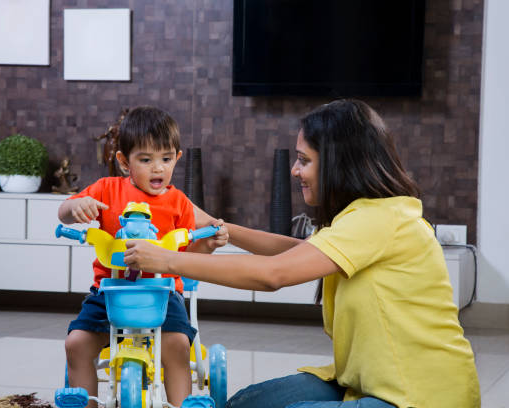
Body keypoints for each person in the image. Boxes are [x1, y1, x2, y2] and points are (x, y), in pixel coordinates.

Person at [123, 99, 481, 408]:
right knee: (245, 403)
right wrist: (223, 228)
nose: (295, 170)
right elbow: (299, 251)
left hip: (419, 397)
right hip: (368, 386)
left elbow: (273, 274)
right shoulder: (363, 217)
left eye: (304, 160)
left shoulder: (378, 218)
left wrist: (165, 259)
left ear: (339, 163)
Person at [58, 106, 227, 407]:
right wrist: (76, 206)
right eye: (146, 160)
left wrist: (209, 245)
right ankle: (87, 402)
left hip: (162, 293)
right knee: (76, 343)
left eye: (165, 159)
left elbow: (188, 253)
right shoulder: (107, 191)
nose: (158, 168)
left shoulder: (179, 203)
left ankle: (181, 404)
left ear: (177, 157)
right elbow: (65, 212)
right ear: (124, 162)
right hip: (108, 292)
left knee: (177, 347)